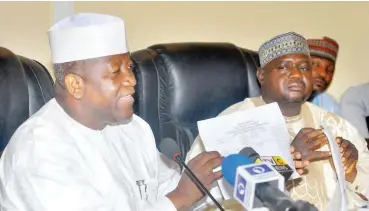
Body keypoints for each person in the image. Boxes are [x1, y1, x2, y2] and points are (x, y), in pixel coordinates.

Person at [0, 13, 223, 211]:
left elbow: (168, 189)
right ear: (75, 85)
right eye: (116, 71)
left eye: (130, 68)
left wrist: (207, 181)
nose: (132, 80)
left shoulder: (134, 128)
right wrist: (180, 198)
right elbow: (177, 198)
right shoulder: (39, 151)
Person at [186, 32, 369, 211]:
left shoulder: (336, 125)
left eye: (304, 68)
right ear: (261, 76)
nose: (297, 74)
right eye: (283, 67)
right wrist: (288, 159)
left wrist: (351, 173)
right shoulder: (229, 125)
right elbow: (204, 199)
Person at [307, 36, 340, 114]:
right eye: (314, 64)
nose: (323, 73)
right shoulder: (277, 101)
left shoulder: (330, 105)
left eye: (330, 70)